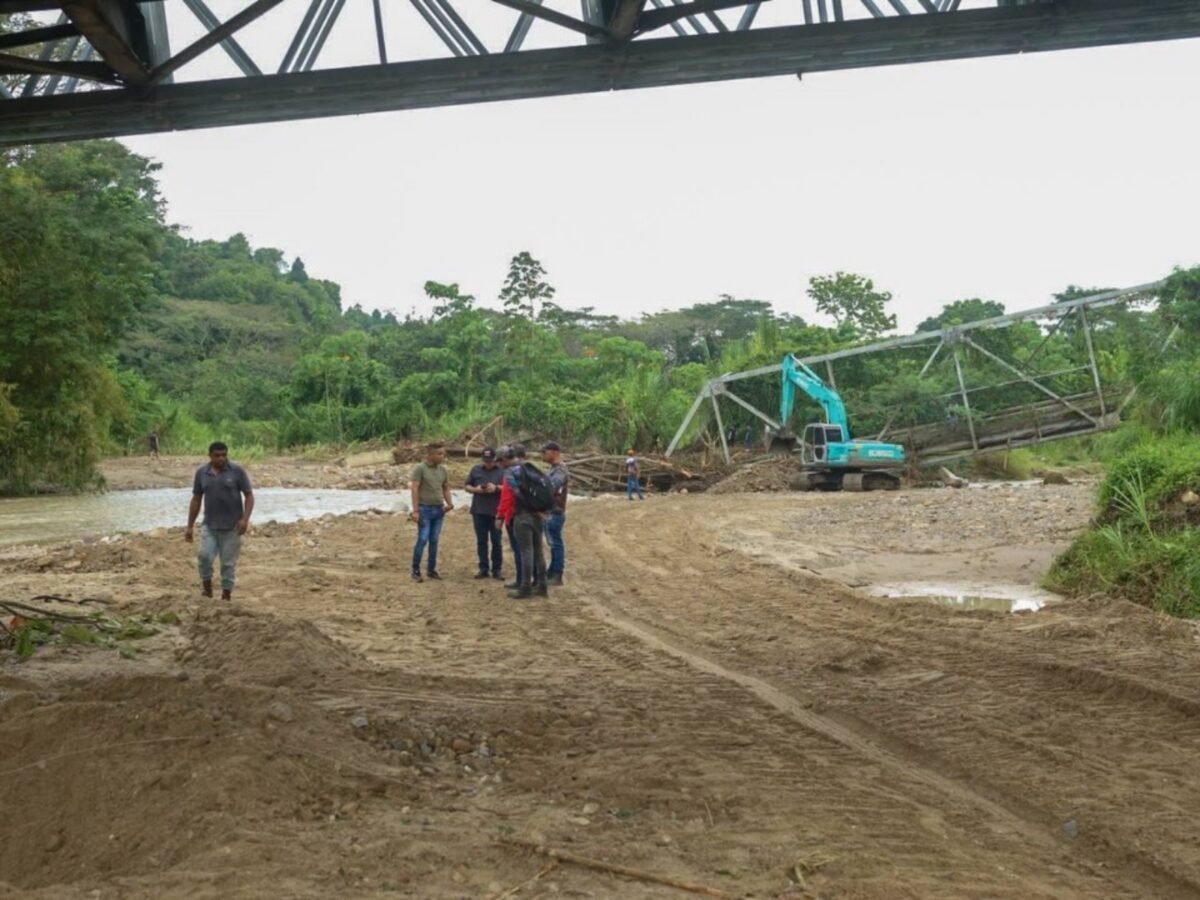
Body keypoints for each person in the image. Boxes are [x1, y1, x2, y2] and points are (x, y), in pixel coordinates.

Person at [185, 441, 254, 602]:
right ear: (210, 456)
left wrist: (245, 520)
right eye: (217, 455)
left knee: (227, 565)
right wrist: (189, 526)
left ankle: (226, 596)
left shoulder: (237, 471)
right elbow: (196, 499)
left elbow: (249, 496)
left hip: (232, 528)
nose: (221, 458)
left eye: (224, 455)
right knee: (204, 557)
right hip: (209, 525)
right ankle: (207, 591)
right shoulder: (202, 473)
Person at [505, 443, 548, 599]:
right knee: (539, 551)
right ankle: (542, 585)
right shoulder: (534, 469)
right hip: (538, 516)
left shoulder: (511, 473)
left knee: (526, 552)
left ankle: (525, 587)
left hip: (523, 515)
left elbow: (517, 494)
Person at [409, 444, 453, 583]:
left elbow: (445, 487)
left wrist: (449, 503)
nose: (442, 456)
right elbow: (414, 489)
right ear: (431, 455)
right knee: (422, 539)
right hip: (424, 509)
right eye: (439, 454)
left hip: (439, 509)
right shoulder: (420, 468)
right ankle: (415, 570)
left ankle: (431, 569)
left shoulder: (443, 470)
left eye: (443, 453)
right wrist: (415, 510)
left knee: (434, 540)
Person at [465, 447, 504, 580]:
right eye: (486, 461)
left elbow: (509, 488)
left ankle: (497, 569)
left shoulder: (502, 471)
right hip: (479, 510)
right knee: (481, 541)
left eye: (490, 461)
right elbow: (467, 486)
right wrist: (476, 489)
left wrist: (496, 488)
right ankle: (483, 568)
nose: (488, 463)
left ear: (495, 459)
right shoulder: (476, 470)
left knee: (496, 541)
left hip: (496, 511)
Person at [542, 441, 569, 586]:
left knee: (555, 543)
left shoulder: (560, 471)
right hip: (552, 510)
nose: (543, 455)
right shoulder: (555, 469)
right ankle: (553, 570)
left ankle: (557, 573)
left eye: (545, 452)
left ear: (553, 452)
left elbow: (551, 487)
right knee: (553, 543)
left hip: (555, 511)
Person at [496, 446, 522, 589]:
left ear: (505, 459)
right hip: (532, 514)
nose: (499, 465)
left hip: (515, 515)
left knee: (518, 550)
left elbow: (506, 498)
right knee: (532, 550)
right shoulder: (527, 468)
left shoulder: (510, 473)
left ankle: (521, 580)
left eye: (500, 461)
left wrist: (500, 516)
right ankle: (537, 580)